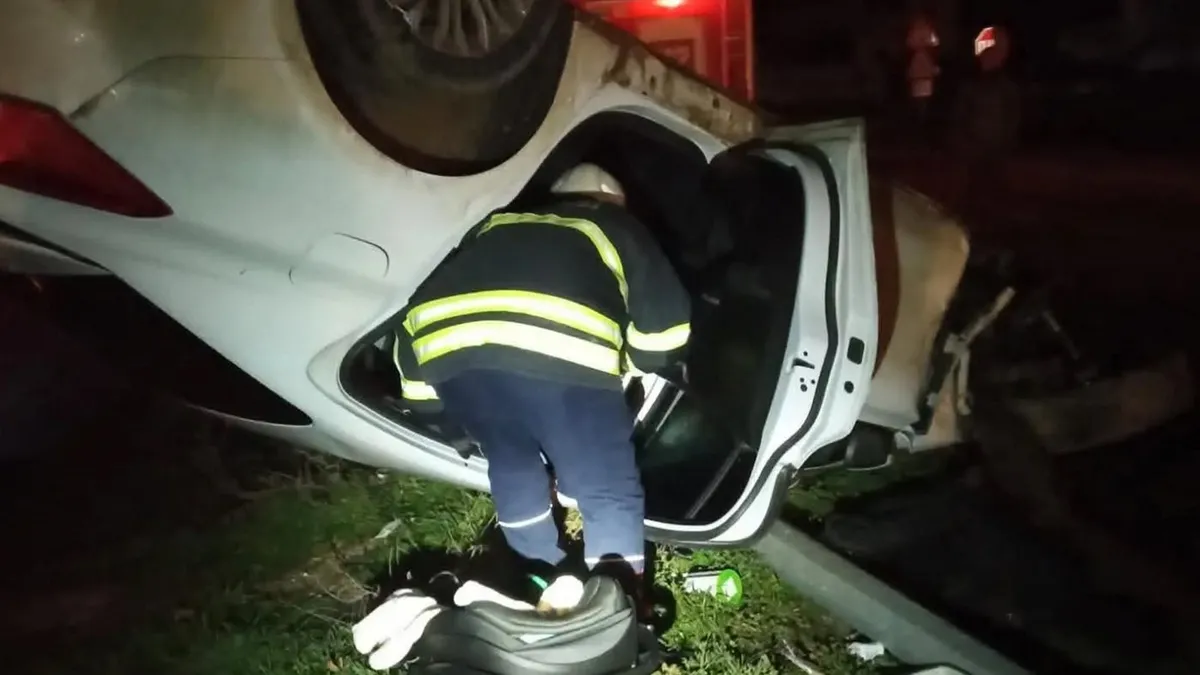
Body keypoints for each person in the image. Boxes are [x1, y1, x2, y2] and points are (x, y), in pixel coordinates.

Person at [390, 162, 692, 612]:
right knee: (607, 489)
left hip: (443, 348)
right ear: (612, 200)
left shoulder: (496, 222)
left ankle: (539, 578)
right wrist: (638, 362)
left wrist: (444, 419)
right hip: (557, 346)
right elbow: (665, 333)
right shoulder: (612, 224)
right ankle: (615, 611)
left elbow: (424, 313)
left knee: (510, 459)